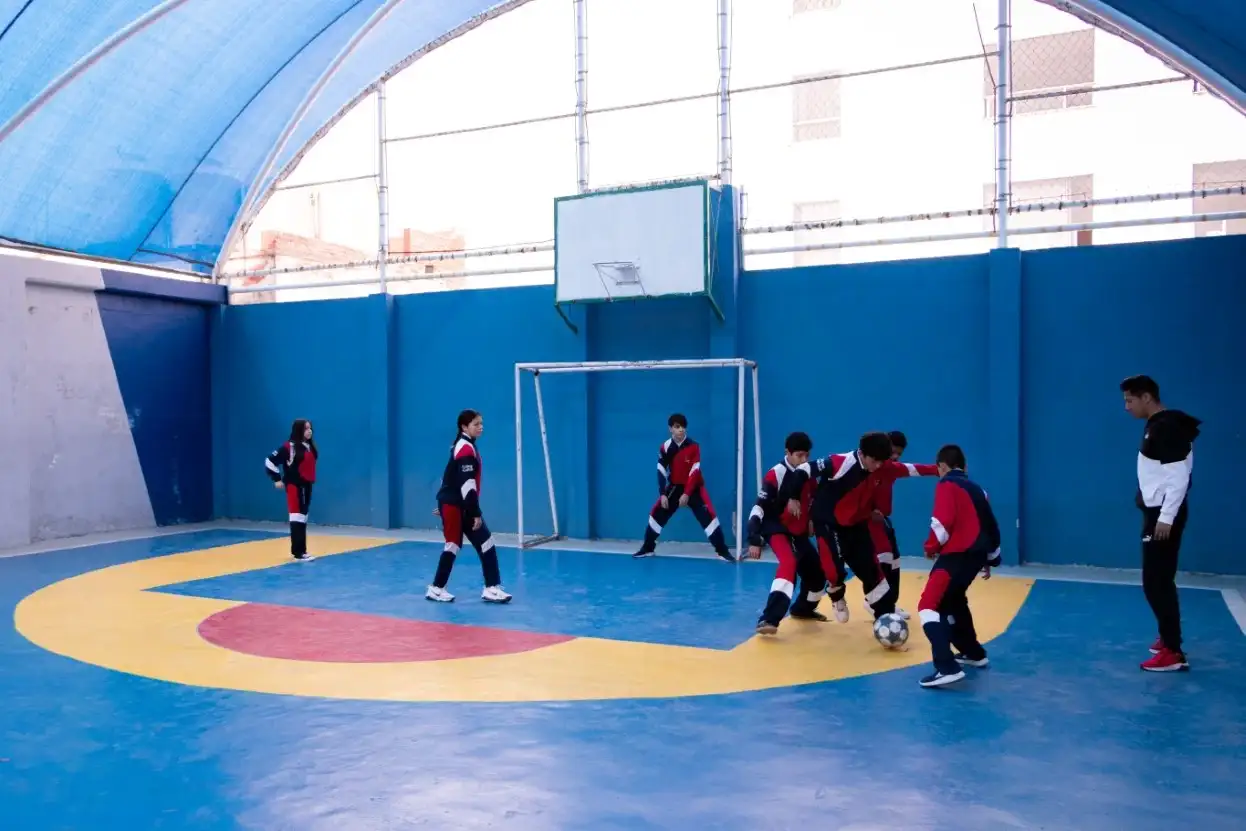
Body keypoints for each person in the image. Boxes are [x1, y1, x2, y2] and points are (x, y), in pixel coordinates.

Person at [807, 431, 939, 624]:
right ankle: (843, 595)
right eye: (879, 459)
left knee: (883, 564)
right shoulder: (845, 464)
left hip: (866, 521)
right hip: (842, 521)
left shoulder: (885, 467)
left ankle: (885, 610)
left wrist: (938, 470)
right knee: (839, 568)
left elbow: (912, 469)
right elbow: (806, 472)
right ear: (865, 455)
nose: (884, 463)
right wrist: (800, 501)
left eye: (894, 456)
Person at [1121, 374, 1201, 672]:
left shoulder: (1165, 428)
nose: (1127, 407)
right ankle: (1169, 637)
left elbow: (1178, 477)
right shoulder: (1161, 426)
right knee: (1159, 580)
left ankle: (1172, 651)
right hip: (1159, 512)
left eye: (1130, 400)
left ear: (1146, 398)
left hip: (1163, 517)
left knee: (1155, 582)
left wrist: (1165, 517)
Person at [916, 444, 1002, 689]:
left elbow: (942, 523)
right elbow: (992, 526)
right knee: (953, 600)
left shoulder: (946, 485)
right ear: (965, 467)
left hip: (956, 555)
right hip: (976, 557)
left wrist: (930, 547)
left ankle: (946, 667)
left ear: (942, 467)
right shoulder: (979, 490)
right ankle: (974, 653)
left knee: (928, 606)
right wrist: (991, 558)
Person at [745, 431, 842, 634]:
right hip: (777, 529)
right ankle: (768, 619)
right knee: (789, 564)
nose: (803, 460)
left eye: (806, 455)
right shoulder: (776, 474)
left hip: (798, 533)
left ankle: (802, 609)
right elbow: (759, 507)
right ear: (787, 453)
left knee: (817, 574)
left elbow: (814, 501)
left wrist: (811, 521)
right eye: (799, 455)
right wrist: (754, 538)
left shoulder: (810, 474)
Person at [427, 409, 512, 604]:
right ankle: (437, 588)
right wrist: (475, 513)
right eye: (476, 424)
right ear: (464, 427)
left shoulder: (464, 446)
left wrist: (443, 501)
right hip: (459, 505)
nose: (480, 427)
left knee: (485, 541)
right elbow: (467, 485)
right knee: (453, 544)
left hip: (455, 504)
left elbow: (450, 476)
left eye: (481, 423)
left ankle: (491, 588)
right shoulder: (465, 448)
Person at [633, 413, 734, 562]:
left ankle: (722, 551)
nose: (681, 430)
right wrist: (662, 494)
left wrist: (687, 494)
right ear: (670, 429)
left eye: (683, 427)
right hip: (674, 487)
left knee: (709, 517)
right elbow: (661, 470)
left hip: (694, 487)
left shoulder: (694, 447)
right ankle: (648, 548)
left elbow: (694, 472)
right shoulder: (665, 447)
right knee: (656, 514)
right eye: (677, 427)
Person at [867, 430, 922, 620]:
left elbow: (915, 469)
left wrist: (940, 470)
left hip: (883, 520)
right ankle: (875, 602)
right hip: (867, 521)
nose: (896, 456)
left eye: (900, 453)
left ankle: (889, 603)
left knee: (895, 560)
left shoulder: (891, 468)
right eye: (893, 451)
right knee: (884, 556)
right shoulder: (868, 468)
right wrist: (869, 511)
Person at [265, 418, 318, 561]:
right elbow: (269, 462)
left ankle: (302, 550)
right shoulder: (289, 447)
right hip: (295, 486)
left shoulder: (308, 446)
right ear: (299, 430)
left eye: (310, 428)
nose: (309, 431)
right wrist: (277, 479)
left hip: (307, 486)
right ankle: (298, 552)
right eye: (306, 428)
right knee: (297, 517)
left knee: (303, 517)